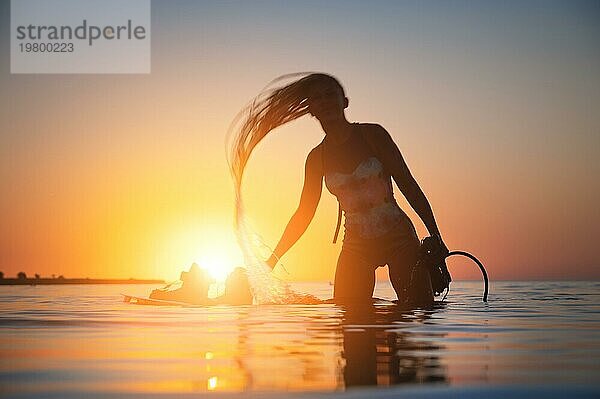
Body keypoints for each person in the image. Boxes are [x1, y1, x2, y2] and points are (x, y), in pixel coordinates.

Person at [232, 73, 448, 304]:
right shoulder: (317, 158)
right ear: (311, 109)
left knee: (419, 310)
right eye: (317, 98)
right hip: (357, 245)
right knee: (348, 314)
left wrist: (436, 235)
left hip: (399, 237)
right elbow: (304, 214)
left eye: (329, 95)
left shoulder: (373, 135)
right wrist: (271, 262)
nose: (324, 102)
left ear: (344, 101)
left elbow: (408, 184)